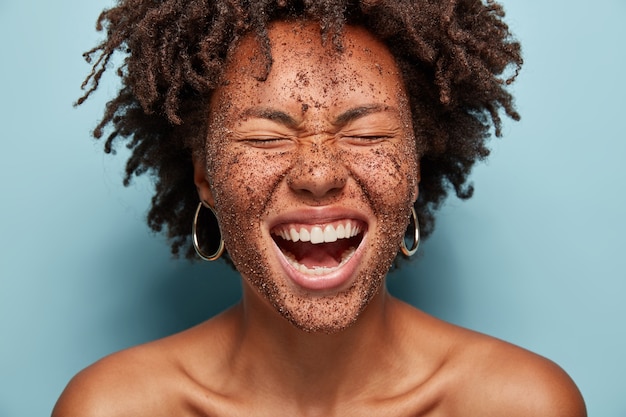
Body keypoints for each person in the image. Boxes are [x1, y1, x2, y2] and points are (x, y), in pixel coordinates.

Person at [53, 1, 586, 416]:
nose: (318, 174)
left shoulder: (524, 404)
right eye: (265, 137)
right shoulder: (111, 407)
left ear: (417, 165)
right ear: (205, 177)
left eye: (367, 132)